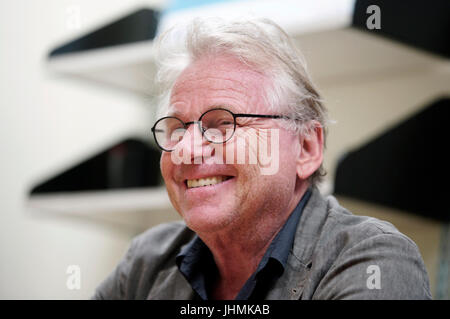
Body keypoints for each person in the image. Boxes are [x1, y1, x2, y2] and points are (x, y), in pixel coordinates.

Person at [92, 17, 431, 300]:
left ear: (306, 148)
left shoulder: (373, 261)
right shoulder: (146, 262)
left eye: (223, 123)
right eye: (177, 128)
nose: (186, 150)